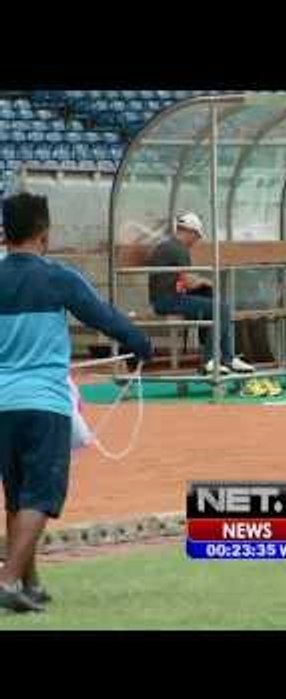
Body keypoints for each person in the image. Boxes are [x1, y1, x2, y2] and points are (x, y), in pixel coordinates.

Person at [0, 192, 152, 613]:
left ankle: (29, 581)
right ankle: (8, 579)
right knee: (41, 496)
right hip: (44, 403)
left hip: (1, 404)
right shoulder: (58, 278)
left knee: (16, 495)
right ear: (44, 234)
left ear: (5, 233)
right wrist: (140, 344)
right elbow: (102, 316)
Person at [147, 211, 255, 375]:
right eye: (197, 236)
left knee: (219, 307)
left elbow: (183, 279)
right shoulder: (178, 249)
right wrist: (205, 281)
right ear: (189, 232)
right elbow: (189, 282)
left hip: (165, 298)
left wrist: (200, 283)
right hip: (168, 300)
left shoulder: (168, 246)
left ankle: (227, 358)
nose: (196, 241)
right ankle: (212, 359)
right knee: (221, 308)